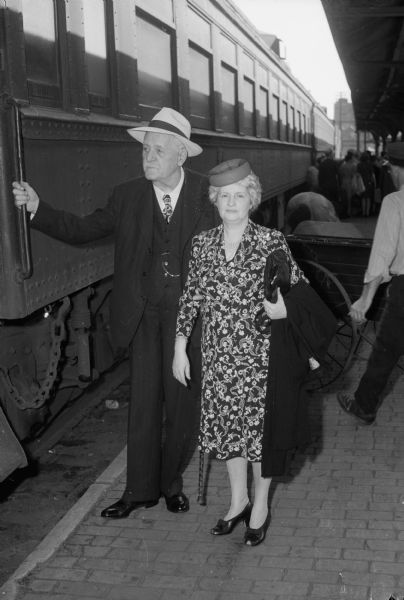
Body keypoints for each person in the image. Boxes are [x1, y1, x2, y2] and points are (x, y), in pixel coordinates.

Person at [12, 107, 219, 518]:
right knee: (143, 403)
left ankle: (170, 484)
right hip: (142, 315)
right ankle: (139, 491)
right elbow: (84, 229)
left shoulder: (204, 194)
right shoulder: (127, 195)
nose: (147, 157)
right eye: (145, 149)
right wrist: (39, 208)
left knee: (180, 407)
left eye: (157, 150)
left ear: (181, 155)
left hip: (187, 318)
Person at [172, 159, 336, 546]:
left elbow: (300, 288)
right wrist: (180, 348)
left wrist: (284, 309)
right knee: (230, 434)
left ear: (252, 198)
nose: (231, 202)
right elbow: (190, 299)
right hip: (218, 358)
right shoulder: (201, 245)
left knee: (260, 435)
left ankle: (260, 505)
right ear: (215, 200)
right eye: (224, 196)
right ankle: (238, 500)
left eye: (239, 195)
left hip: (261, 359)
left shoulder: (270, 242)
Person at [338, 141, 404, 425]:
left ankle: (364, 405)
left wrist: (365, 300)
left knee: (384, 351)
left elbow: (382, 255)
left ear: (393, 168)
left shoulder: (395, 202)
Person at [318, 149, 340, 216]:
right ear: (330, 154)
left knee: (326, 201)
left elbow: (320, 176)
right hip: (333, 186)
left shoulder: (322, 164)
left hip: (324, 187)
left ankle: (326, 214)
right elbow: (338, 175)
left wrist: (321, 186)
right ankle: (334, 214)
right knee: (334, 201)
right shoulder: (334, 163)